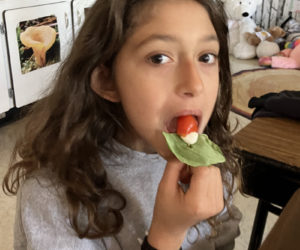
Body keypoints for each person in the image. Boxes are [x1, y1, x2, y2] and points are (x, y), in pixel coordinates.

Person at [3, 0, 242, 249]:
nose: (195, 85)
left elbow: (224, 236)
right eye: (159, 58)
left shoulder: (214, 158)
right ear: (108, 80)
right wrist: (167, 235)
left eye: (206, 56)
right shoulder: (52, 198)